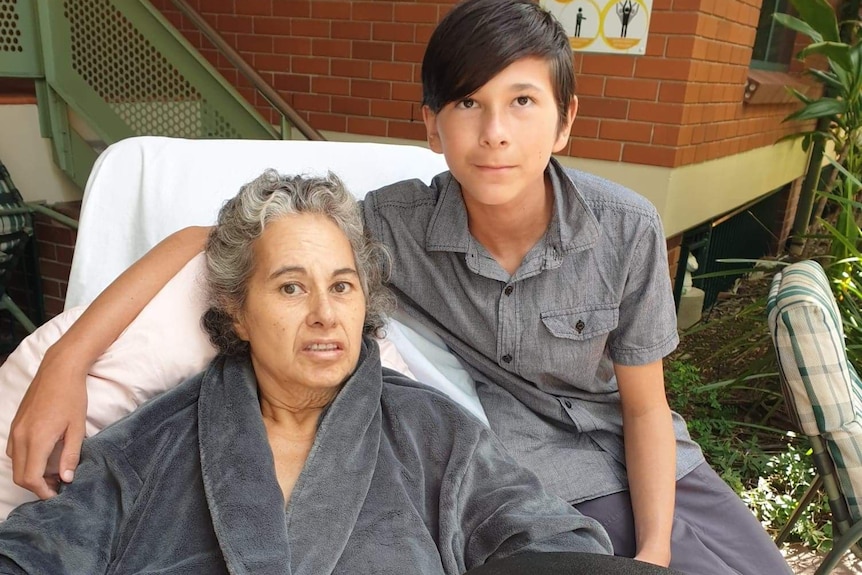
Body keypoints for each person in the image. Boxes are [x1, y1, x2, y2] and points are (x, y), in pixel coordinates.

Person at [7, 1, 792, 573]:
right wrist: (66, 364)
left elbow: (646, 407)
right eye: (468, 105)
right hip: (544, 473)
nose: (494, 133)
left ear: (564, 122)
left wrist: (655, 549)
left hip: (651, 456)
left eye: (522, 102)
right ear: (432, 125)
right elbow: (207, 242)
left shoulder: (627, 227)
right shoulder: (390, 226)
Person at [0, 171, 611, 574]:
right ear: (236, 312)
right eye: (291, 287)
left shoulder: (435, 434)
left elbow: (557, 546)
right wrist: (67, 360)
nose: (325, 314)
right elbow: (32, 555)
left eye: (342, 287)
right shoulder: (149, 442)